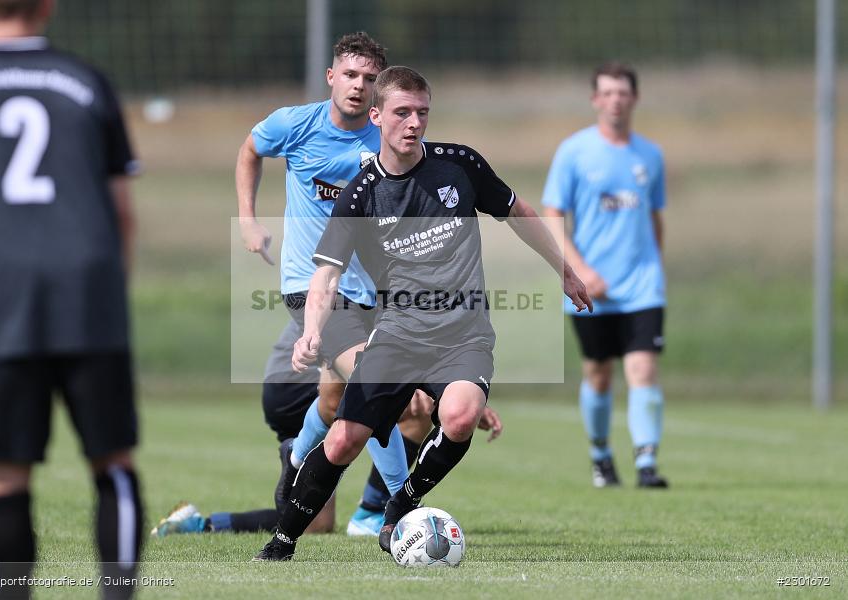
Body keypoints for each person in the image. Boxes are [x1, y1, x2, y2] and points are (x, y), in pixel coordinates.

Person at [253, 65, 591, 561]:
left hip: (464, 336)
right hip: (398, 337)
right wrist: (312, 332)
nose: (414, 123)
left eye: (422, 113)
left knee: (459, 415)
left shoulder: (459, 166)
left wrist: (563, 268)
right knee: (346, 439)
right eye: (402, 113)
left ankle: (398, 508)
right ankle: (282, 541)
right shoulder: (362, 194)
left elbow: (518, 211)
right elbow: (325, 274)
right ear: (378, 116)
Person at [0, 0, 143, 598]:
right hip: (88, 295)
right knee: (113, 462)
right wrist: (111, 295)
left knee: (5, 476)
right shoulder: (86, 81)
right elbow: (122, 214)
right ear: (49, 5)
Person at [234, 31, 427, 536]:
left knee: (348, 400)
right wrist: (248, 220)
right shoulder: (294, 124)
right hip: (312, 284)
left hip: (370, 295)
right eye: (350, 75)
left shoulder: (391, 139)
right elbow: (251, 150)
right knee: (375, 382)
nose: (359, 86)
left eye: (369, 79)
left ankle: (301, 460)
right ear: (331, 77)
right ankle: (397, 514)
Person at [150, 320, 503, 537]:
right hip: (296, 388)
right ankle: (379, 506)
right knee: (409, 404)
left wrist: (461, 395)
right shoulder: (354, 275)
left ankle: (199, 525)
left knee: (316, 523)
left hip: (328, 383)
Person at [542, 62, 669, 489]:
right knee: (598, 373)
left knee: (643, 371)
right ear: (596, 99)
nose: (616, 100)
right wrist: (577, 270)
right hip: (591, 288)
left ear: (634, 98)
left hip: (642, 288)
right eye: (608, 92)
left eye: (623, 92)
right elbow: (553, 214)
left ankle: (647, 463)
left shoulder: (650, 155)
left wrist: (654, 270)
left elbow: (655, 219)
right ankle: (601, 456)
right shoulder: (574, 152)